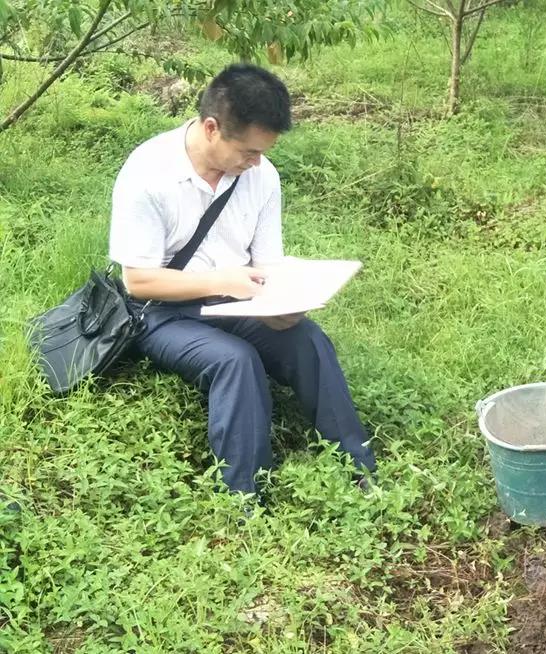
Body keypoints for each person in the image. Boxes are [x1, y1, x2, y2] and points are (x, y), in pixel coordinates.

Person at [108, 63, 376, 497]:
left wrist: (279, 306)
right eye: (248, 152)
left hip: (237, 300)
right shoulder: (148, 174)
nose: (255, 163)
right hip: (161, 313)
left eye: (263, 152)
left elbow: (267, 264)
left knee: (308, 340)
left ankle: (359, 467)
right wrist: (222, 281)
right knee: (235, 360)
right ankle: (245, 496)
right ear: (211, 128)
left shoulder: (261, 175)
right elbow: (138, 282)